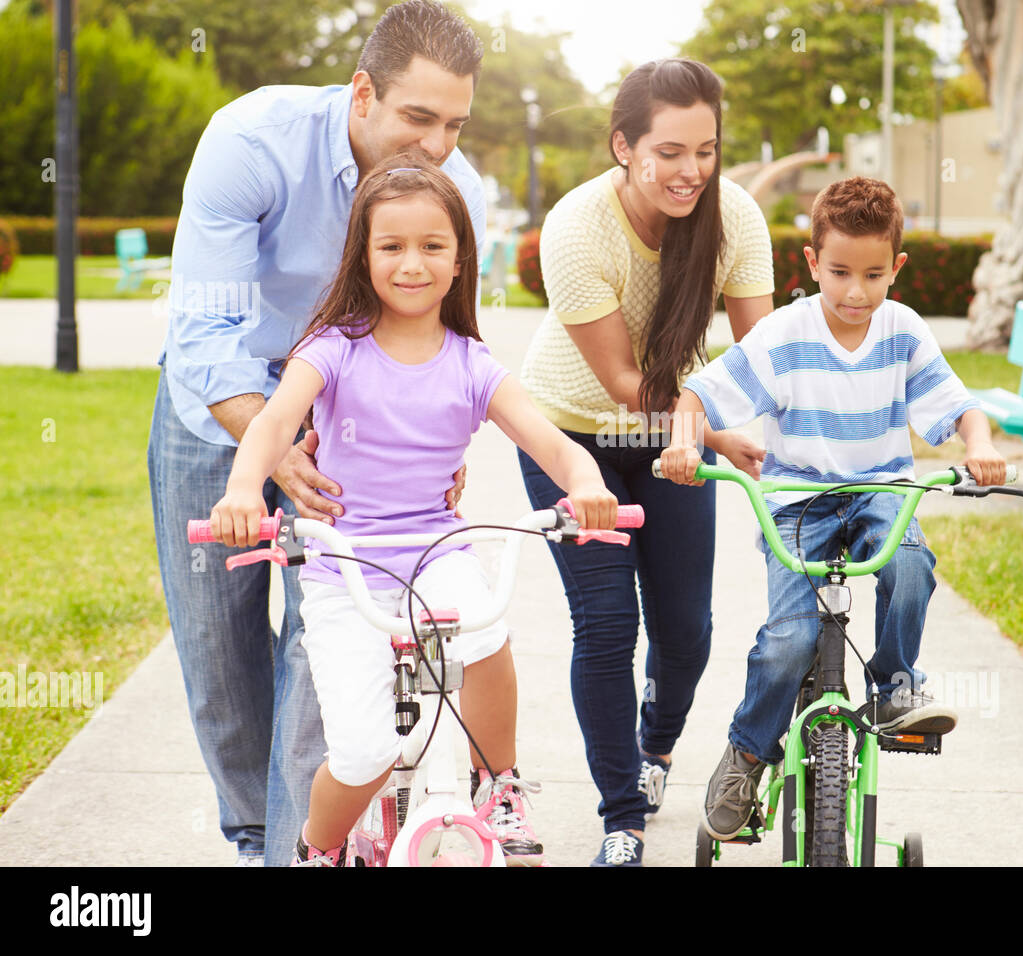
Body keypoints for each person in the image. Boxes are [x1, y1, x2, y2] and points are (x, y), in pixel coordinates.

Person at [208, 152, 620, 867]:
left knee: (486, 631)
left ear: (461, 260)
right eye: (391, 246)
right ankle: (318, 846)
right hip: (344, 566)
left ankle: (500, 783)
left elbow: (552, 443)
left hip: (436, 549)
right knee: (366, 750)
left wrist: (585, 484)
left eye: (433, 246)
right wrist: (245, 488)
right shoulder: (332, 349)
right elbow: (276, 424)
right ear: (363, 257)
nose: (412, 263)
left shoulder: (470, 363)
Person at [147, 0, 487, 866]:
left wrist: (446, 453)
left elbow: (455, 346)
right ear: (363, 93)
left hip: (354, 439)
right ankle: (254, 829)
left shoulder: (457, 192)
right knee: (217, 651)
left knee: (328, 641)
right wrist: (275, 439)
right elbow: (204, 336)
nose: (438, 146)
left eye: (454, 123)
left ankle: (293, 852)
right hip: (214, 413)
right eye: (418, 118)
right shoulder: (252, 142)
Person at [659, 176, 1008, 841]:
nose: (855, 292)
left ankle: (895, 686)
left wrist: (981, 444)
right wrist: (683, 445)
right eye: (840, 272)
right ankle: (748, 754)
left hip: (883, 490)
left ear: (896, 269)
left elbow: (960, 405)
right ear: (812, 263)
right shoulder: (784, 336)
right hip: (798, 499)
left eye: (874, 275)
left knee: (911, 566)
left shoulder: (903, 333)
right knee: (788, 639)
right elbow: (699, 396)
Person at [516, 58, 775, 867]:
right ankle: (620, 819)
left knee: (687, 632)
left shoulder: (734, 218)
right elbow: (625, 385)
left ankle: (655, 754)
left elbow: (758, 357)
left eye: (706, 150)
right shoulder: (576, 227)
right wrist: (709, 432)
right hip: (573, 438)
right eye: (669, 151)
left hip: (673, 438)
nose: (690, 171)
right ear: (623, 146)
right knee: (605, 626)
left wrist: (721, 427)